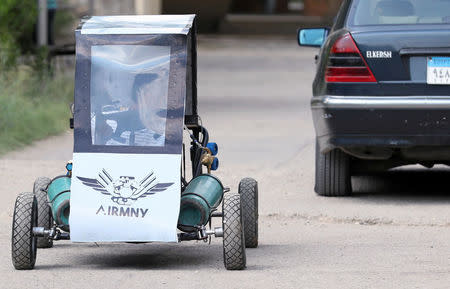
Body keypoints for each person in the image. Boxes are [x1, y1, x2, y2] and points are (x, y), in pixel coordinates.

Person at [99, 73, 167, 147]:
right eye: (153, 94)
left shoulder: (164, 132)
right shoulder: (106, 120)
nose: (161, 99)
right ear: (139, 96)